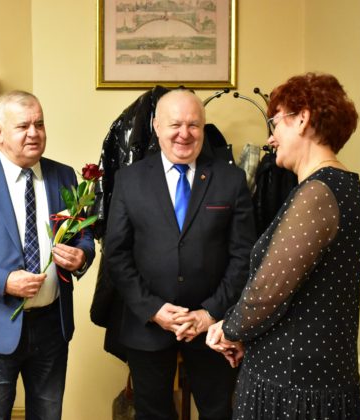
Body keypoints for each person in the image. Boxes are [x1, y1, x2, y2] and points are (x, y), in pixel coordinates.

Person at [206, 73, 360, 419]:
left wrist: (229, 329)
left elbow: (267, 291)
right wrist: (246, 337)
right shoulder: (349, 189)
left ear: (302, 119)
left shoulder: (318, 192)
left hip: (291, 388)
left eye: (275, 122)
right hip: (322, 381)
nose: (270, 138)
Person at [0, 90, 95, 419]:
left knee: (48, 415)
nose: (34, 133)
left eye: (39, 124)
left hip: (52, 326)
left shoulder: (64, 176)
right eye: (23, 126)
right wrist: (4, 281)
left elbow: (83, 236)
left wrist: (81, 256)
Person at [104, 89, 256, 420]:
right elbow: (116, 255)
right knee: (152, 414)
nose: (184, 134)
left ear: (203, 128)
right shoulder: (129, 180)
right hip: (147, 325)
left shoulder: (231, 180)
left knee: (218, 413)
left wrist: (209, 313)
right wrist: (153, 309)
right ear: (157, 126)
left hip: (213, 326)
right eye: (175, 124)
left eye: (193, 125)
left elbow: (243, 256)